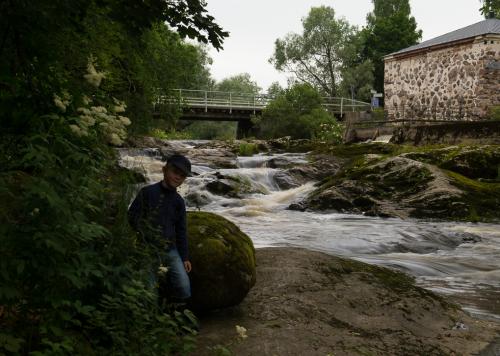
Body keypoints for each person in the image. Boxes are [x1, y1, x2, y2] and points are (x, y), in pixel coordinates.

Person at [128, 154, 192, 303]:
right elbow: (132, 216)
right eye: (175, 172)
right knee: (148, 289)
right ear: (164, 170)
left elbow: (181, 231)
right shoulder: (147, 192)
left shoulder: (179, 202)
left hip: (169, 248)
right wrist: (143, 234)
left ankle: (177, 313)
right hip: (147, 249)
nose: (178, 177)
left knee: (183, 285)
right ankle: (150, 316)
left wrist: (185, 257)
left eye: (182, 176)